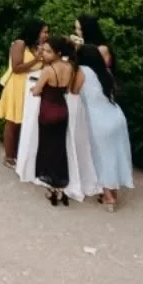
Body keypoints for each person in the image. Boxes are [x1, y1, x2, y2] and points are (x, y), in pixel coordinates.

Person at [18, 36, 99, 205]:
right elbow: (71, 89)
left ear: (58, 52)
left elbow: (37, 91)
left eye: (48, 51)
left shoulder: (48, 70)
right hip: (63, 109)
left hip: (48, 110)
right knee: (60, 148)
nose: (45, 54)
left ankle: (52, 186)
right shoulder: (70, 67)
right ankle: (62, 187)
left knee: (47, 147)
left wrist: (36, 89)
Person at [74, 40, 133, 210]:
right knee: (115, 155)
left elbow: (73, 91)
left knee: (101, 158)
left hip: (97, 121)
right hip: (116, 117)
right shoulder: (105, 72)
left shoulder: (82, 72)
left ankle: (109, 197)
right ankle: (112, 192)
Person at [0, 19, 49, 168]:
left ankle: (18, 153)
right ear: (35, 31)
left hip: (29, 87)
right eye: (44, 32)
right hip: (15, 87)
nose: (46, 35)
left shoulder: (37, 47)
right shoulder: (19, 44)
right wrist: (36, 59)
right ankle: (9, 157)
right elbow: (17, 67)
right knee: (12, 121)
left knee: (23, 121)